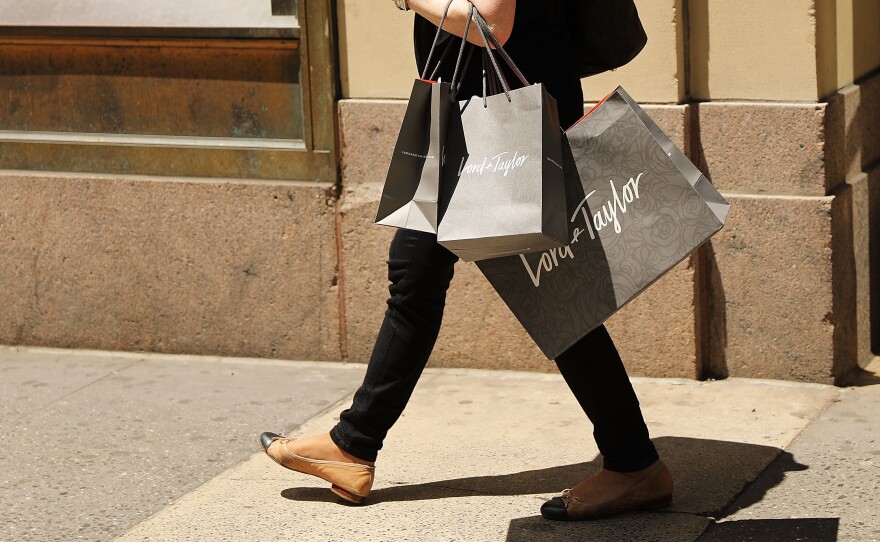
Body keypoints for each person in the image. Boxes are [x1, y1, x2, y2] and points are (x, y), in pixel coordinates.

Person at [260, 0, 673, 521]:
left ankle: (635, 462)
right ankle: (355, 444)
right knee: (418, 273)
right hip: (470, 110)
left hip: (500, 121)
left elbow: (492, 20)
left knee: (546, 289)